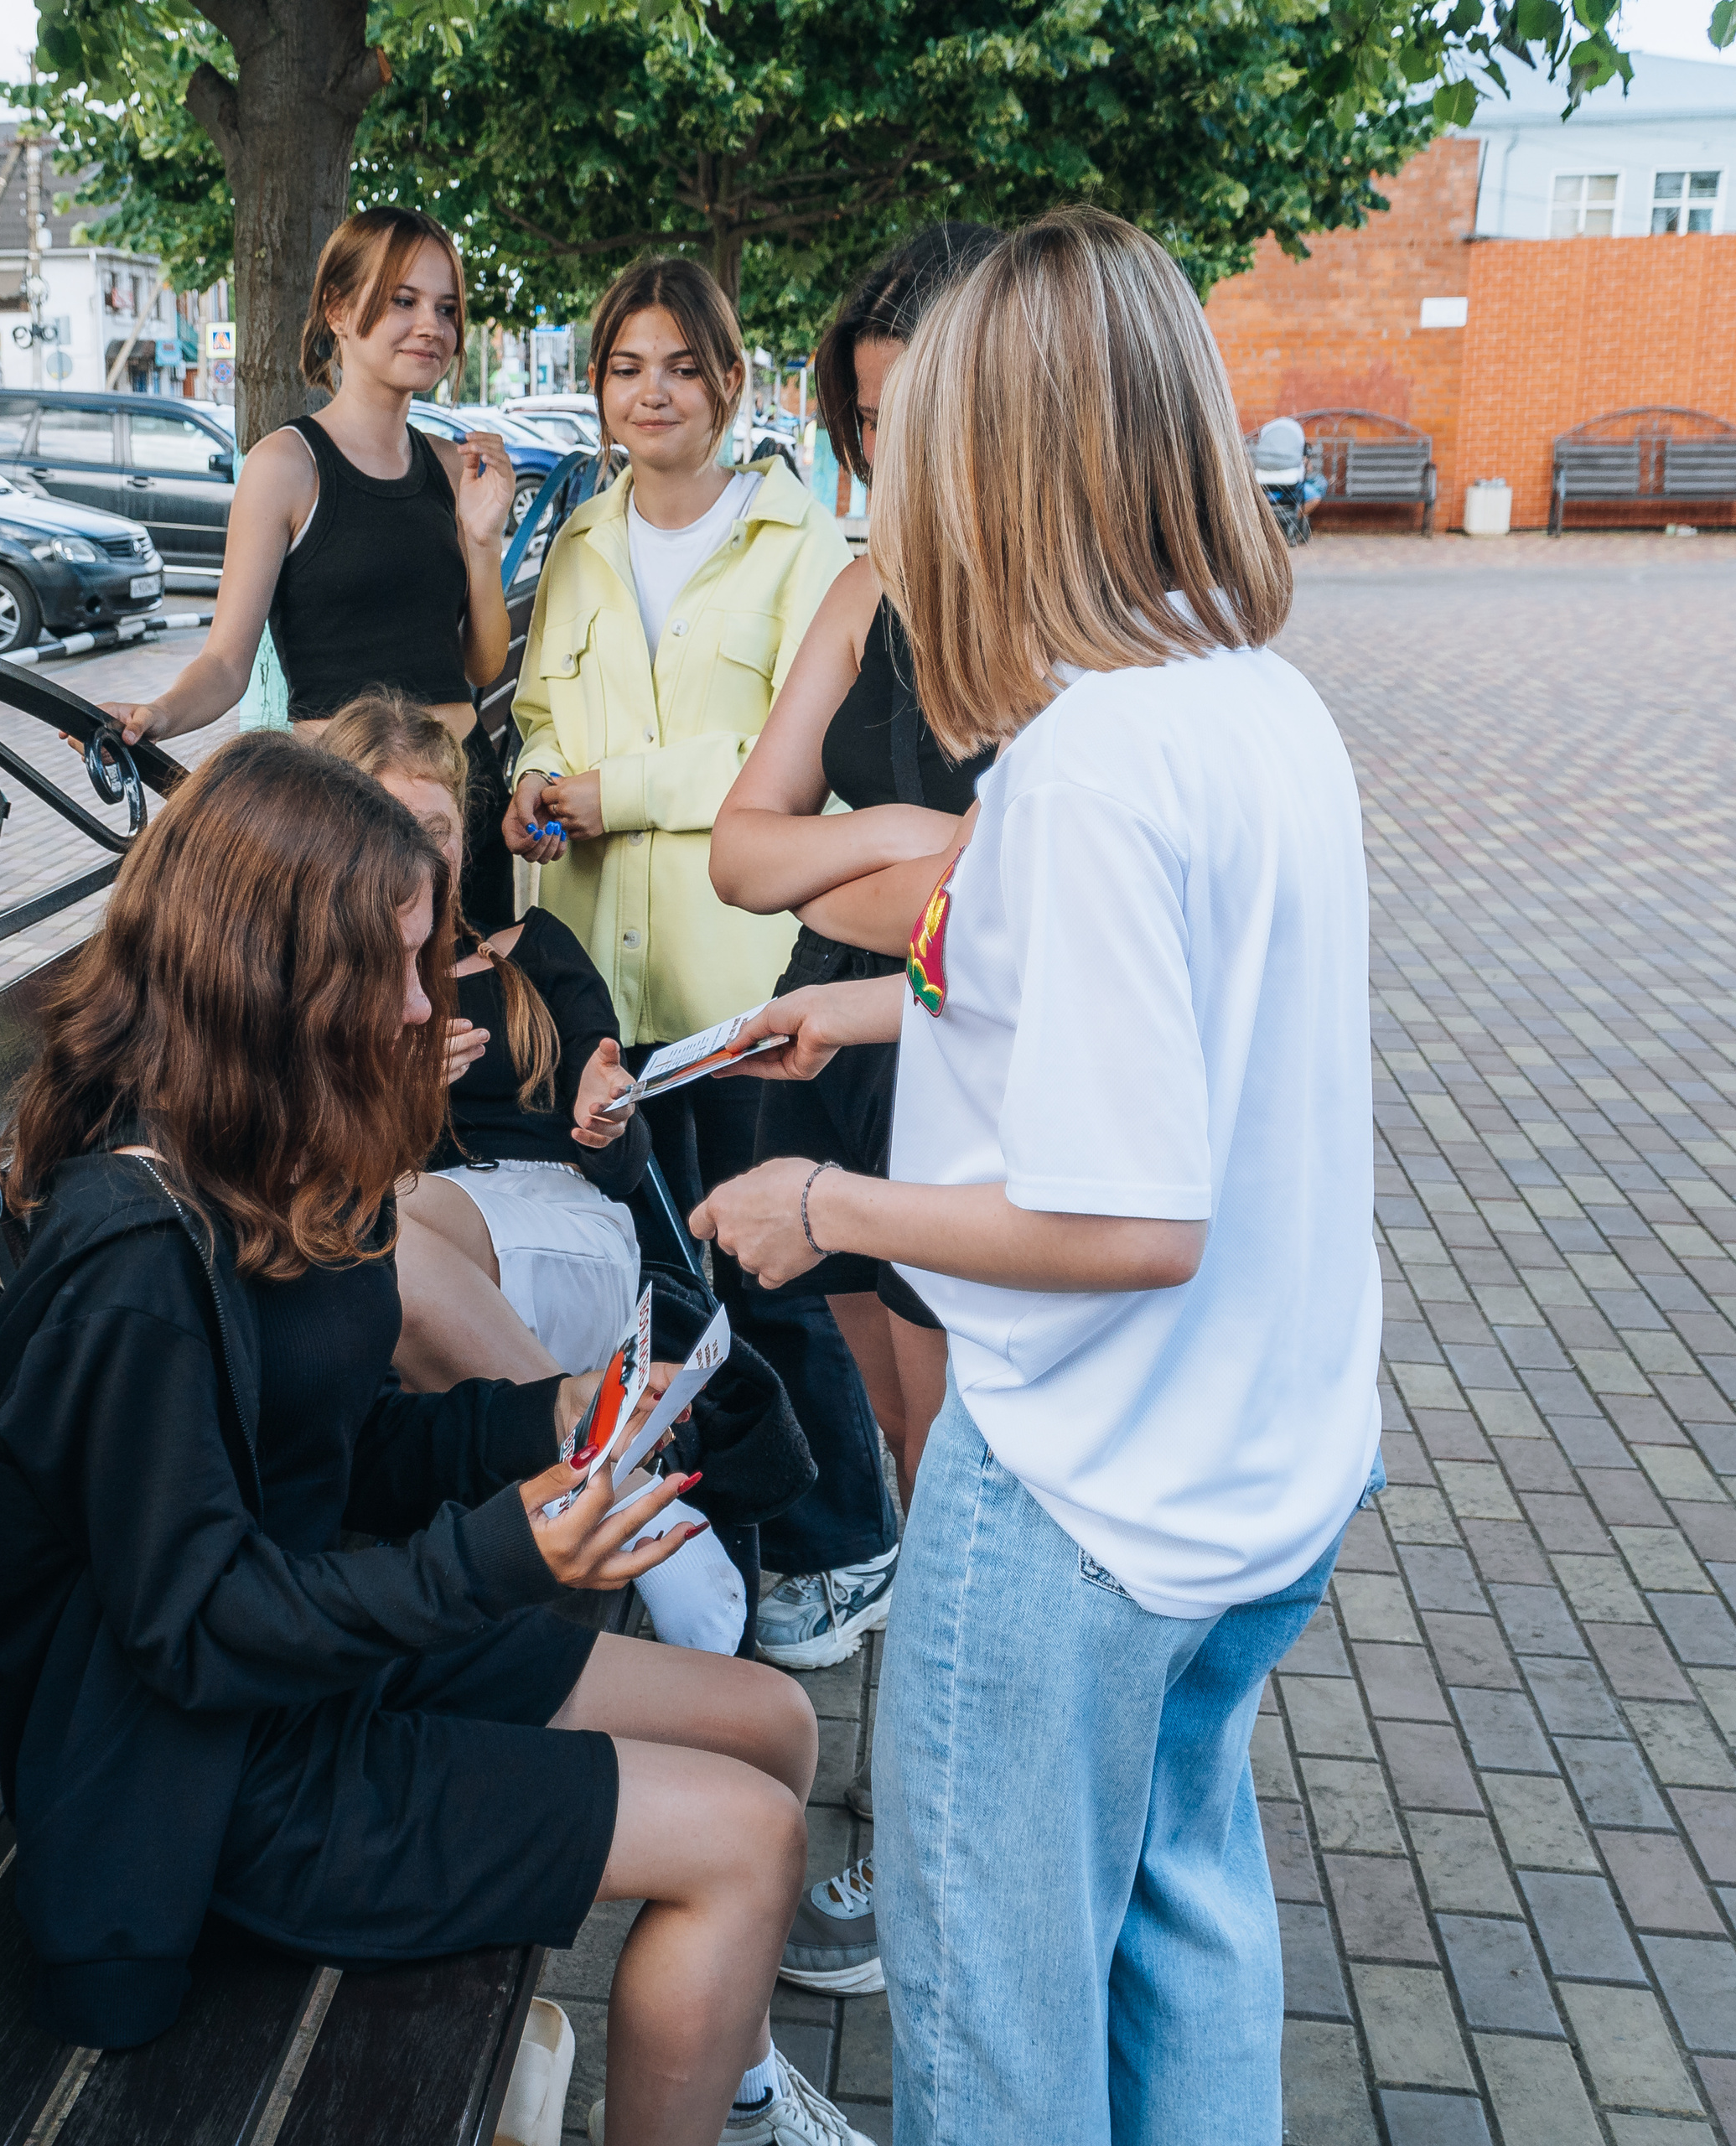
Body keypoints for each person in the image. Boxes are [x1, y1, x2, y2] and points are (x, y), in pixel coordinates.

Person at [693, 209, 1383, 2144]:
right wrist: (878, 1014)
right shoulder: (1250, 698)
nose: (894, 486)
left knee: (995, 2028)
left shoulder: (1083, 767)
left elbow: (1122, 1221)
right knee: (1183, 1913)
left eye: (930, 441)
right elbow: (1174, 1035)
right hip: (1266, 1470)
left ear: (1022, 448)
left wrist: (819, 1212)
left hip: (1088, 1487)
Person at [0, 732, 867, 2146]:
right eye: (375, 963)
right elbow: (197, 1628)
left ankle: (730, 2080)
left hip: (320, 1676)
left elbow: (340, 1448)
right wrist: (503, 1554)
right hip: (205, 1781)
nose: (408, 1000)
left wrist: (543, 1421)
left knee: (773, 1721)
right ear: (259, 966)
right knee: (746, 1846)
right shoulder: (132, 1255)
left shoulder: (251, 1151)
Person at [500, 254, 899, 1651]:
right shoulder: (580, 546)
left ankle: (850, 1540)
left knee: (767, 1272)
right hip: (603, 978)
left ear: (733, 382)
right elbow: (544, 714)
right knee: (660, 1280)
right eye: (625, 366)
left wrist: (619, 792)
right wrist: (541, 787)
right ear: (599, 388)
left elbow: (795, 769)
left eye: (681, 364)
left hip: (748, 981)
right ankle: (735, 1536)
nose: (651, 391)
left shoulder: (806, 553)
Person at [322, 692, 751, 1660]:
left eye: (431, 829)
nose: (412, 855)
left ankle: (612, 1493)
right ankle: (624, 1485)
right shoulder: (317, 984)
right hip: (413, 1257)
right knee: (384, 1218)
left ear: (464, 834)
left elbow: (627, 1171)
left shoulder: (536, 953)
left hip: (565, 1225)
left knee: (391, 1218)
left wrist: (606, 1114)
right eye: (385, 826)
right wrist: (387, 1106)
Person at [713, 226, 1002, 1661]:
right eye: (869, 422)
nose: (890, 459)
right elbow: (739, 852)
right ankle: (908, 1788)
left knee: (960, 1463)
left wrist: (835, 879)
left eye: (916, 418)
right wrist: (901, 838)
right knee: (900, 1445)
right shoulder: (865, 588)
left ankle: (928, 1812)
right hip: (835, 1049)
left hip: (959, 1067)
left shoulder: (1051, 619)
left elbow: (1005, 918)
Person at [99, 205, 522, 930]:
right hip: (348, 822)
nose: (433, 327)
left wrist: (482, 543)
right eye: (403, 300)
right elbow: (228, 663)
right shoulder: (286, 467)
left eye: (447, 309)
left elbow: (480, 667)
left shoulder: (452, 468)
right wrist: (157, 714)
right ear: (337, 309)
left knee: (476, 1028)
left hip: (464, 801)